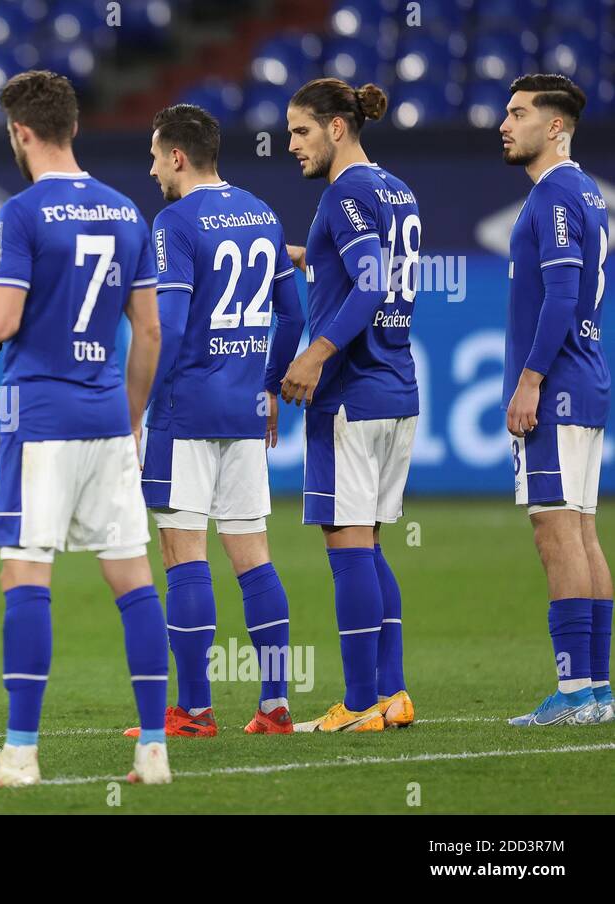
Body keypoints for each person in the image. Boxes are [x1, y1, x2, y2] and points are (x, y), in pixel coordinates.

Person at [0, 70, 170, 787]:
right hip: (105, 418)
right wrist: (129, 418)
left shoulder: (22, 213)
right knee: (133, 580)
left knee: (25, 576)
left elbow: (3, 320)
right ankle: (154, 751)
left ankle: (19, 754)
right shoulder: (128, 212)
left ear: (22, 133)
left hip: (40, 419)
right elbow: (151, 332)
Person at [125, 103, 304, 740]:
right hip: (246, 409)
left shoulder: (174, 222)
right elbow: (292, 316)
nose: (151, 170)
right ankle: (276, 705)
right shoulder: (261, 212)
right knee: (254, 556)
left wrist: (137, 405)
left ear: (176, 155)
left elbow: (167, 327)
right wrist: (269, 384)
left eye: (154, 156)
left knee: (183, 554)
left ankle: (195, 712)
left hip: (185, 408)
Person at [280, 78, 420, 732]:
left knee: (348, 544)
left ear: (338, 127)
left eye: (301, 131)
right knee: (370, 545)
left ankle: (359, 701)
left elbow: (368, 282)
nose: (291, 146)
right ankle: (391, 695)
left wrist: (316, 353)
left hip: (352, 392)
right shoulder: (397, 188)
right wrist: (313, 259)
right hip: (397, 388)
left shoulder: (344, 193)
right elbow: (369, 268)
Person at [499, 74, 612, 726]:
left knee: (556, 532)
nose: (505, 125)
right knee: (583, 531)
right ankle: (594, 691)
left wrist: (531, 380)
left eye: (518, 114)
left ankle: (574, 693)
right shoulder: (585, 191)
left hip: (561, 386)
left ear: (556, 126)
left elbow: (563, 298)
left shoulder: (556, 194)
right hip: (586, 379)